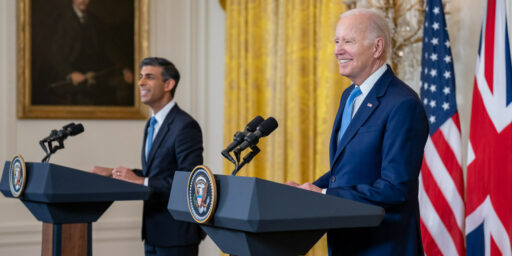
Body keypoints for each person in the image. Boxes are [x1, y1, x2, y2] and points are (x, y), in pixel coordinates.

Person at [287, 8, 428, 256]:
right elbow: (349, 170)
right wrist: (307, 191)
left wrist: (324, 194)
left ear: (377, 48)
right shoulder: (350, 96)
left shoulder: (403, 103)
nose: (337, 50)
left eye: (348, 41)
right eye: (337, 41)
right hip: (346, 242)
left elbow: (395, 187)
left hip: (383, 247)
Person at [92, 57, 204, 256]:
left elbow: (189, 181)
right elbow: (157, 173)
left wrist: (142, 181)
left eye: (149, 77)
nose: (140, 82)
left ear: (169, 84)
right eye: (141, 77)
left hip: (176, 235)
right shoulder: (151, 125)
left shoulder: (185, 126)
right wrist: (114, 173)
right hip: (152, 232)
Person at [44, 0, 133, 105]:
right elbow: (54, 54)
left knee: (122, 89)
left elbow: (110, 48)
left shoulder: (95, 20)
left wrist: (124, 68)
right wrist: (70, 73)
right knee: (86, 100)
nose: (83, 1)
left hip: (93, 75)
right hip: (67, 78)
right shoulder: (60, 19)